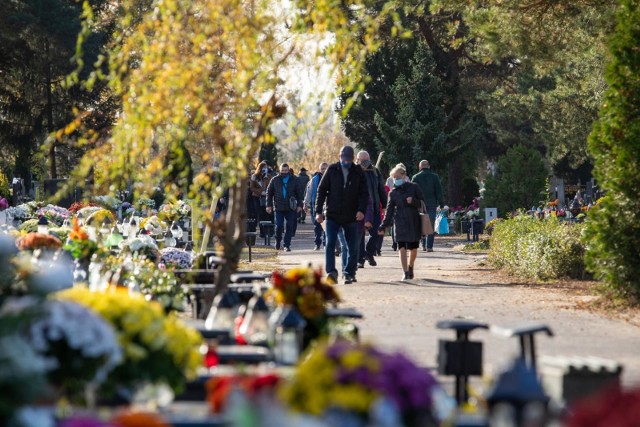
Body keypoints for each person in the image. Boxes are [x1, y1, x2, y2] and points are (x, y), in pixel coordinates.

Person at [315, 146, 368, 284]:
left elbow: (364, 193)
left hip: (351, 215)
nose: (346, 161)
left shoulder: (358, 172)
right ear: (340, 157)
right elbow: (321, 191)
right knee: (330, 243)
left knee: (353, 246)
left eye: (349, 159)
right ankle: (331, 272)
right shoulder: (332, 170)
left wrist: (361, 210)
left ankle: (349, 272)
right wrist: (318, 211)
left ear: (352, 158)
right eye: (344, 158)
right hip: (333, 214)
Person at [379, 165, 424, 281]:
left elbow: (422, 203)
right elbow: (389, 211)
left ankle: (411, 266)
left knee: (413, 248)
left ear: (404, 176)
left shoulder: (414, 187)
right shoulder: (393, 193)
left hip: (413, 220)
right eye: (394, 177)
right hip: (399, 221)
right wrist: (383, 225)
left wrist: (413, 201)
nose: (396, 179)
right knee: (402, 247)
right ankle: (405, 272)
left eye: (398, 176)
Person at [355, 151, 387, 268]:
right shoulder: (353, 171)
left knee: (377, 232)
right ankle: (360, 259)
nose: (364, 162)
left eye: (366, 160)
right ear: (357, 159)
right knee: (359, 234)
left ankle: (369, 252)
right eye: (361, 160)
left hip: (374, 207)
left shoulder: (375, 171)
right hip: (359, 209)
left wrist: (384, 205)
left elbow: (381, 189)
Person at [266, 163, 303, 251]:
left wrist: (299, 205)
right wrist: (268, 205)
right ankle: (278, 241)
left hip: (291, 208)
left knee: (290, 226)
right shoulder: (275, 180)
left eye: (286, 170)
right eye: (282, 170)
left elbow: (299, 193)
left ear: (289, 170)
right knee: (278, 225)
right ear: (280, 170)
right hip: (278, 207)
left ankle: (287, 245)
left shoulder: (294, 179)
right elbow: (269, 192)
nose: (284, 172)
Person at [411, 159, 444, 252]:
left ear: (420, 167)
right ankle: (430, 246)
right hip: (431, 203)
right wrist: (441, 204)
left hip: (420, 204)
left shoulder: (415, 177)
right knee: (431, 224)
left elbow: (412, 192)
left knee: (421, 223)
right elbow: (439, 192)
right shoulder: (435, 177)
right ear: (428, 166)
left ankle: (423, 244)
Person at [304, 162, 329, 250]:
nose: (324, 170)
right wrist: (306, 203)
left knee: (327, 226)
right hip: (317, 205)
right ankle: (317, 243)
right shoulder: (314, 180)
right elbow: (309, 192)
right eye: (322, 168)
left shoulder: (332, 178)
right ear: (319, 169)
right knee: (317, 226)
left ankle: (326, 243)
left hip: (328, 206)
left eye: (325, 168)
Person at [249, 161, 274, 239]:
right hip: (257, 198)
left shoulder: (269, 176)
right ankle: (262, 232)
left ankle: (269, 232)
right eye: (263, 168)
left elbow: (271, 186)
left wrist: (267, 192)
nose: (264, 169)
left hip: (267, 198)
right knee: (260, 215)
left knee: (268, 214)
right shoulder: (254, 177)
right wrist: (260, 192)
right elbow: (252, 188)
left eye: (265, 168)